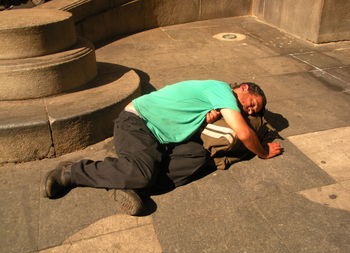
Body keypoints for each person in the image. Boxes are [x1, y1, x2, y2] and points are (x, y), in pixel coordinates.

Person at [44, 80, 282, 215]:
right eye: (252, 105)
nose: (250, 111)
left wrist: (205, 119)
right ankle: (71, 172)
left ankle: (134, 186)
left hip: (163, 140)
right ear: (244, 88)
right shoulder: (220, 89)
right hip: (137, 123)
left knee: (199, 156)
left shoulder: (216, 101)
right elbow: (242, 132)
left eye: (254, 111)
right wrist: (262, 151)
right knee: (141, 172)